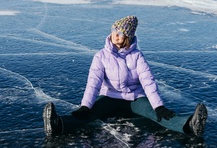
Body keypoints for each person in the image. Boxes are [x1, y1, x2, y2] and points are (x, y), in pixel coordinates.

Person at [43, 16, 208, 138]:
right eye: (114, 31)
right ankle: (58, 124)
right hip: (109, 96)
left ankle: (189, 125)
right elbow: (94, 82)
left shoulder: (137, 56)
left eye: (121, 33)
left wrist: (158, 106)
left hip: (134, 98)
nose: (116, 35)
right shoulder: (101, 56)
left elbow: (148, 81)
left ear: (128, 37)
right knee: (87, 114)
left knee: (157, 115)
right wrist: (86, 105)